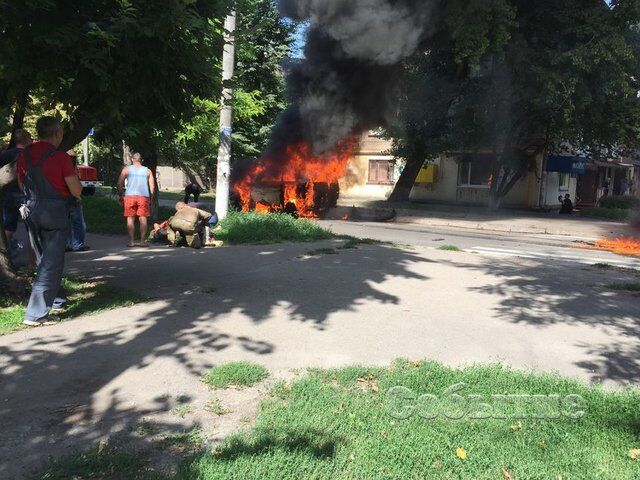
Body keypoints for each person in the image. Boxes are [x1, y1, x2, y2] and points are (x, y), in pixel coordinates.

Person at [16, 116, 82, 326]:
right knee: (51, 261)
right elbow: (75, 189)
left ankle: (57, 300)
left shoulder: (25, 154)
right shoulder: (60, 157)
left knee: (44, 257)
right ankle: (35, 314)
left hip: (32, 210)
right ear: (57, 134)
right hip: (55, 211)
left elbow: (20, 184)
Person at [1, 129, 33, 259]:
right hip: (25, 194)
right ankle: (32, 262)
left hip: (7, 195)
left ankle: (7, 257)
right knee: (31, 229)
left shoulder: (5, 155)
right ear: (27, 140)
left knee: (9, 227)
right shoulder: (30, 155)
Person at [117, 152, 155, 247]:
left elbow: (119, 184)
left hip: (129, 196)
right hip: (143, 196)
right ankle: (142, 241)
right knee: (143, 218)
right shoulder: (148, 171)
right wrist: (151, 197)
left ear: (132, 159)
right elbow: (152, 187)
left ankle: (131, 242)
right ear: (142, 161)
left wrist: (121, 195)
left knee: (130, 218)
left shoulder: (126, 170)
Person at [66, 150, 90, 252]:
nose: (73, 160)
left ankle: (67, 245)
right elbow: (72, 183)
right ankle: (77, 244)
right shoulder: (70, 168)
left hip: (62, 197)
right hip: (72, 197)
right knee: (79, 223)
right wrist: (78, 197)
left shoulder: (63, 166)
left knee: (66, 222)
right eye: (72, 158)